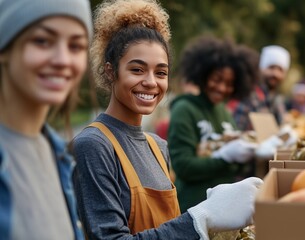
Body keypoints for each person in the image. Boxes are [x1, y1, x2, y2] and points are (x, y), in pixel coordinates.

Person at [70, 1, 262, 239]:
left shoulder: (158, 146)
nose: (151, 82)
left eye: (161, 72)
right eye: (137, 70)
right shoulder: (94, 145)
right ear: (111, 71)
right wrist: (199, 218)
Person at [0, 0, 92, 239]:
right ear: (5, 48)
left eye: (76, 46)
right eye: (42, 41)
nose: (62, 59)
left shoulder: (59, 154)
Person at [167, 36, 258, 213]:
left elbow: (234, 167)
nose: (222, 88)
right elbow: (184, 167)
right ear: (203, 75)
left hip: (223, 208)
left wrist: (249, 153)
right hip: (192, 210)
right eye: (217, 79)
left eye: (229, 84)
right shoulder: (184, 109)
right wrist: (224, 157)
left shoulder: (223, 110)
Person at [227, 45, 290, 131]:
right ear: (261, 68)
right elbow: (235, 131)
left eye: (280, 70)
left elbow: (282, 126)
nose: (275, 74)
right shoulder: (247, 94)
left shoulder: (277, 99)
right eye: (271, 67)